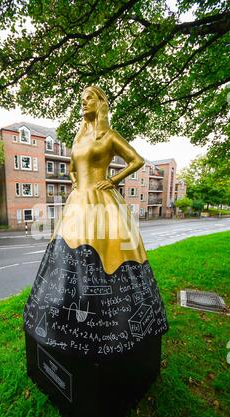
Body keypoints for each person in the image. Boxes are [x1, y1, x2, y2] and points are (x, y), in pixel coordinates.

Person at [24, 85, 168, 360]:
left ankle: (109, 317)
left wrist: (112, 180)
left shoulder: (109, 136)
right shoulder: (79, 137)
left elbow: (137, 160)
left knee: (107, 253)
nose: (84, 102)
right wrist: (77, 183)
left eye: (89, 98)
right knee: (68, 253)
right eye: (81, 99)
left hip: (103, 202)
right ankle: (68, 313)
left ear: (101, 102)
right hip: (78, 203)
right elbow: (70, 167)